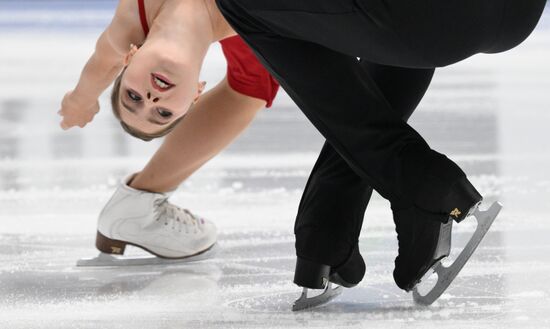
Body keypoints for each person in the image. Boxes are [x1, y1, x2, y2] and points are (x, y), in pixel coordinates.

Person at [212, 0, 546, 298]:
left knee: (242, 5)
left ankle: (421, 181)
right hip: (518, 14)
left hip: (440, 15)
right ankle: (327, 227)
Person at [59, 0, 279, 260]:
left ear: (130, 57)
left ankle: (138, 203)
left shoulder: (131, 24)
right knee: (253, 84)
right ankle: (140, 202)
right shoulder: (262, 22)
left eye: (133, 96)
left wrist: (81, 99)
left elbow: (104, 61)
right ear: (196, 93)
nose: (152, 100)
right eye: (163, 113)